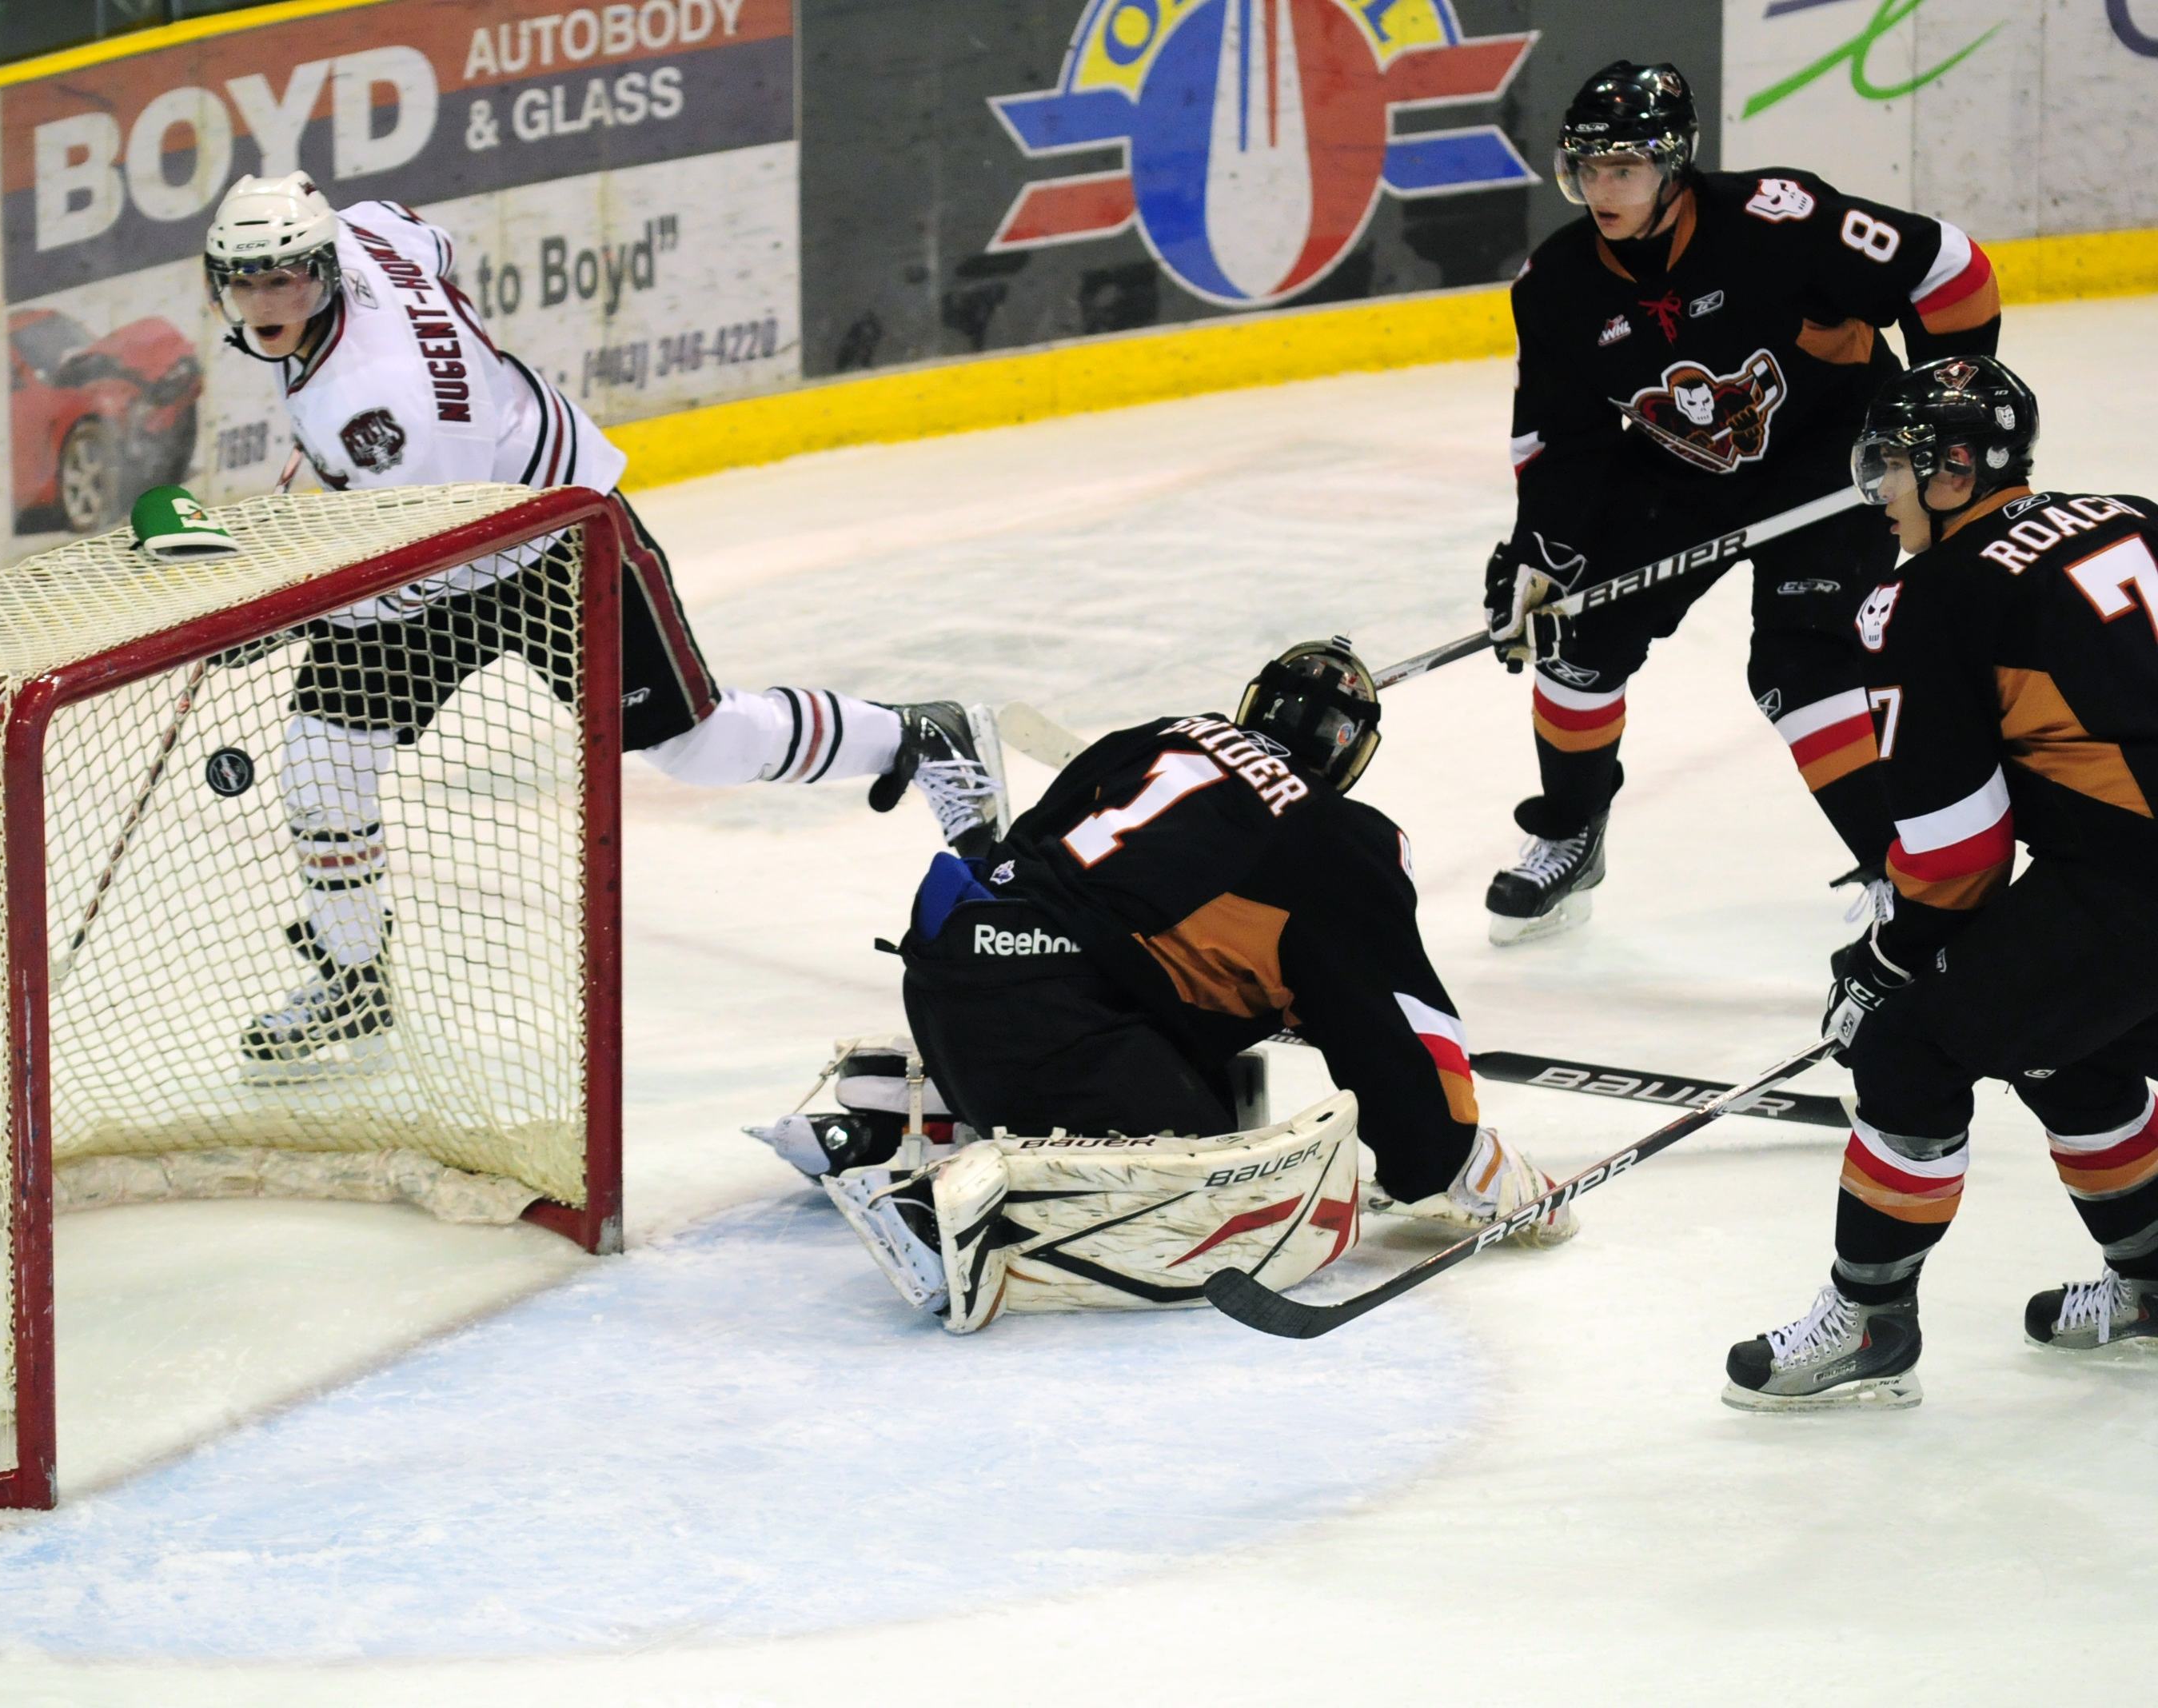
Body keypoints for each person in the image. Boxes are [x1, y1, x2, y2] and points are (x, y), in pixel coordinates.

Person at [201, 174, 1005, 1063]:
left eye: (287, 281)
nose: (267, 302)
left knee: (694, 747)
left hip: (556, 537)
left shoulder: (380, 405)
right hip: (452, 517)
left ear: (321, 265)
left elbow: (432, 560)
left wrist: (284, 612)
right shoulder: (364, 232)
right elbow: (427, 240)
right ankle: (353, 977)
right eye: (248, 281)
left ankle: (919, 738)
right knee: (324, 754)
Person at [1481, 61, 2000, 944]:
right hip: (1674, 478)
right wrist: (1544, 552)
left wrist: (1940, 423)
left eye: (1625, 170)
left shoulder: (1779, 221)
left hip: (1832, 466)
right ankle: (1572, 831)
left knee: (1804, 669)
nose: (1601, 191)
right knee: (1573, 649)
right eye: (1587, 171)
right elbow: (1560, 436)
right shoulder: (1556, 285)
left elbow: (1951, 271)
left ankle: (1899, 877)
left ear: (1675, 165)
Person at [1725, 357, 2158, 1411]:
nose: (1880, 490)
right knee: (2055, 1031)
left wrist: (1886, 961)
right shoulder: (2129, 513)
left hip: (2133, 887)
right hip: (2123, 880)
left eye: (1896, 466)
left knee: (1912, 1043)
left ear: (1956, 469)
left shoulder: (1938, 597)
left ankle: (1870, 1318)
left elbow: (1960, 851)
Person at [876, 638, 1577, 1256]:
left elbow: (1031, 855)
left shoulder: (1155, 737)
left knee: (1219, 1084)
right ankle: (970, 1208)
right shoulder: (1344, 839)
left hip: (948, 968)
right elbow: (1388, 1016)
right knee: (1237, 1191)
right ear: (1353, 753)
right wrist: (1450, 1157)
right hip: (1067, 1033)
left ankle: (922, 1101)